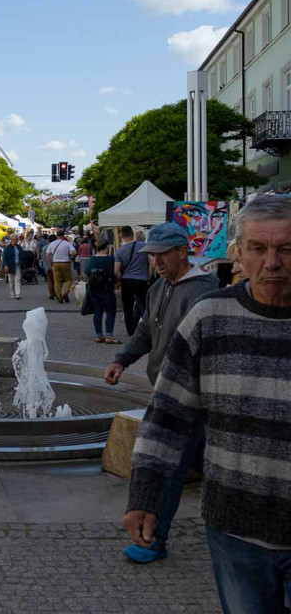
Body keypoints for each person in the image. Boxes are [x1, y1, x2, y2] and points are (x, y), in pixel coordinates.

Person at [125, 196, 291, 608]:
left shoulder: (197, 292)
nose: (272, 262)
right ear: (239, 253)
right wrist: (144, 496)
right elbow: (166, 415)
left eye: (286, 249)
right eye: (258, 248)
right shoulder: (210, 315)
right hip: (235, 527)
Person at [105, 221, 217, 564]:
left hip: (193, 396)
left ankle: (154, 539)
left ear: (182, 252)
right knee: (206, 460)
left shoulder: (204, 292)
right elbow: (144, 333)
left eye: (161, 255)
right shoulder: (158, 288)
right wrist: (121, 360)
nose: (155, 262)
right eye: (151, 256)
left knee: (169, 468)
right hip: (165, 389)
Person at [114, 226, 149, 337]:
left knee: (127, 308)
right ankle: (149, 330)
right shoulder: (144, 246)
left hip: (127, 281)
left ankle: (131, 333)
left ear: (122, 236)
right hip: (142, 280)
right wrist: (148, 276)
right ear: (132, 233)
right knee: (144, 305)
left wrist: (121, 279)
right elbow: (152, 263)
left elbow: (116, 270)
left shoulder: (120, 250)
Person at [86, 239, 120, 344]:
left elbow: (87, 272)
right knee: (110, 311)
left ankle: (99, 335)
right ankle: (108, 335)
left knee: (97, 311)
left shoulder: (92, 259)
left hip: (94, 289)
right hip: (107, 289)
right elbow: (114, 272)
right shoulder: (111, 259)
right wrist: (117, 281)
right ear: (106, 247)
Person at [46, 230, 77, 303]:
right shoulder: (67, 243)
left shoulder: (52, 244)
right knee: (68, 280)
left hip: (55, 263)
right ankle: (65, 293)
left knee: (57, 281)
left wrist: (51, 261)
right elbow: (74, 252)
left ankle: (59, 296)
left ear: (57, 235)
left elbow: (47, 254)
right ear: (63, 236)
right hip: (66, 263)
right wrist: (69, 254)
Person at [1, 234, 22, 300]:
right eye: (16, 239)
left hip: (18, 264)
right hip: (10, 265)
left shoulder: (19, 247)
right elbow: (5, 258)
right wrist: (5, 265)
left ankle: (17, 294)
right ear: (12, 240)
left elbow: (21, 254)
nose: (17, 240)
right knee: (11, 280)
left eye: (17, 239)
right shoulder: (8, 248)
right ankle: (12, 294)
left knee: (17, 279)